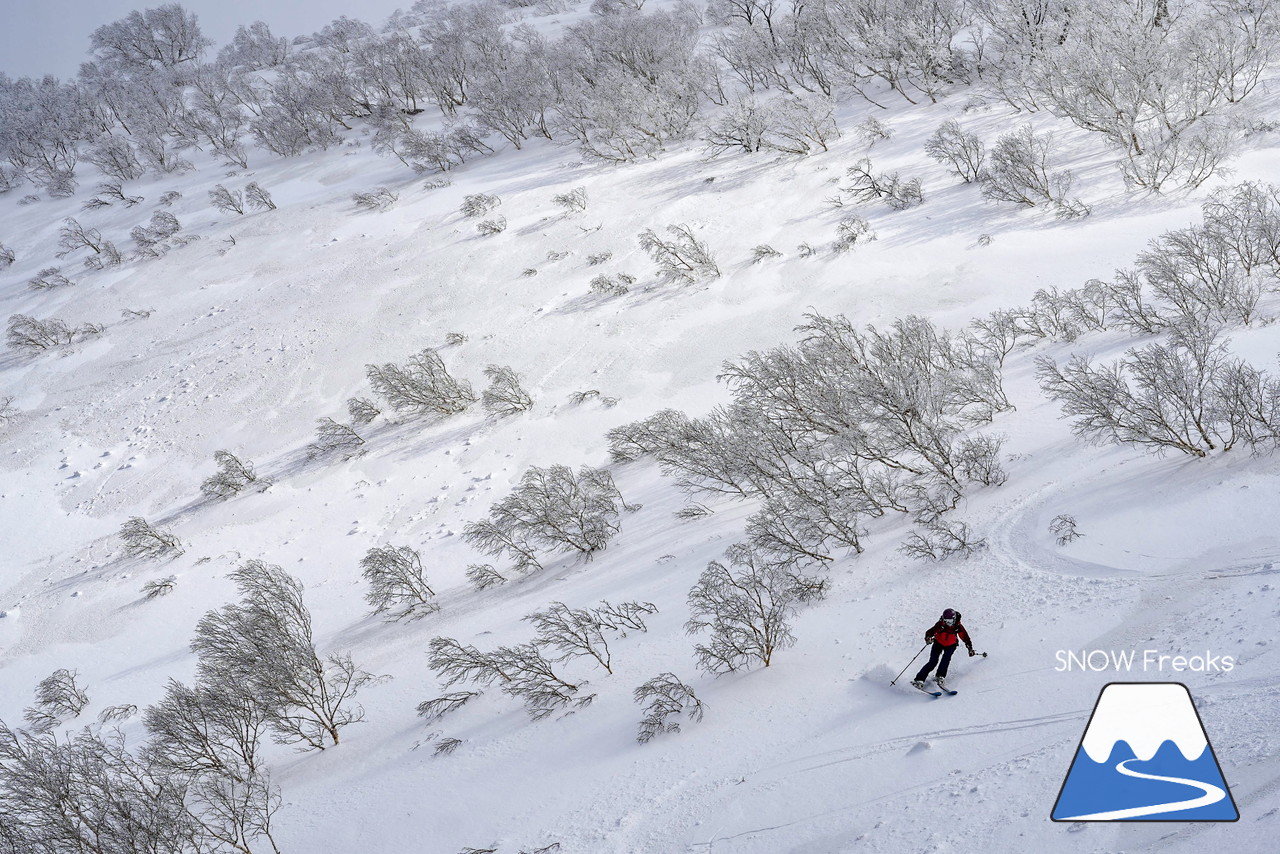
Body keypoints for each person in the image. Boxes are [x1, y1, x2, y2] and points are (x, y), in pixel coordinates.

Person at [912, 608, 974, 692]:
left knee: (946, 659)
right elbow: (930, 632)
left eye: (950, 621)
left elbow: (965, 637)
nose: (949, 623)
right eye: (947, 621)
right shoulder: (940, 624)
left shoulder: (958, 626)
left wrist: (970, 648)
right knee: (932, 662)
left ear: (954, 619)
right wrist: (928, 638)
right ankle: (919, 679)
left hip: (951, 645)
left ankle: (940, 676)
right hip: (938, 643)